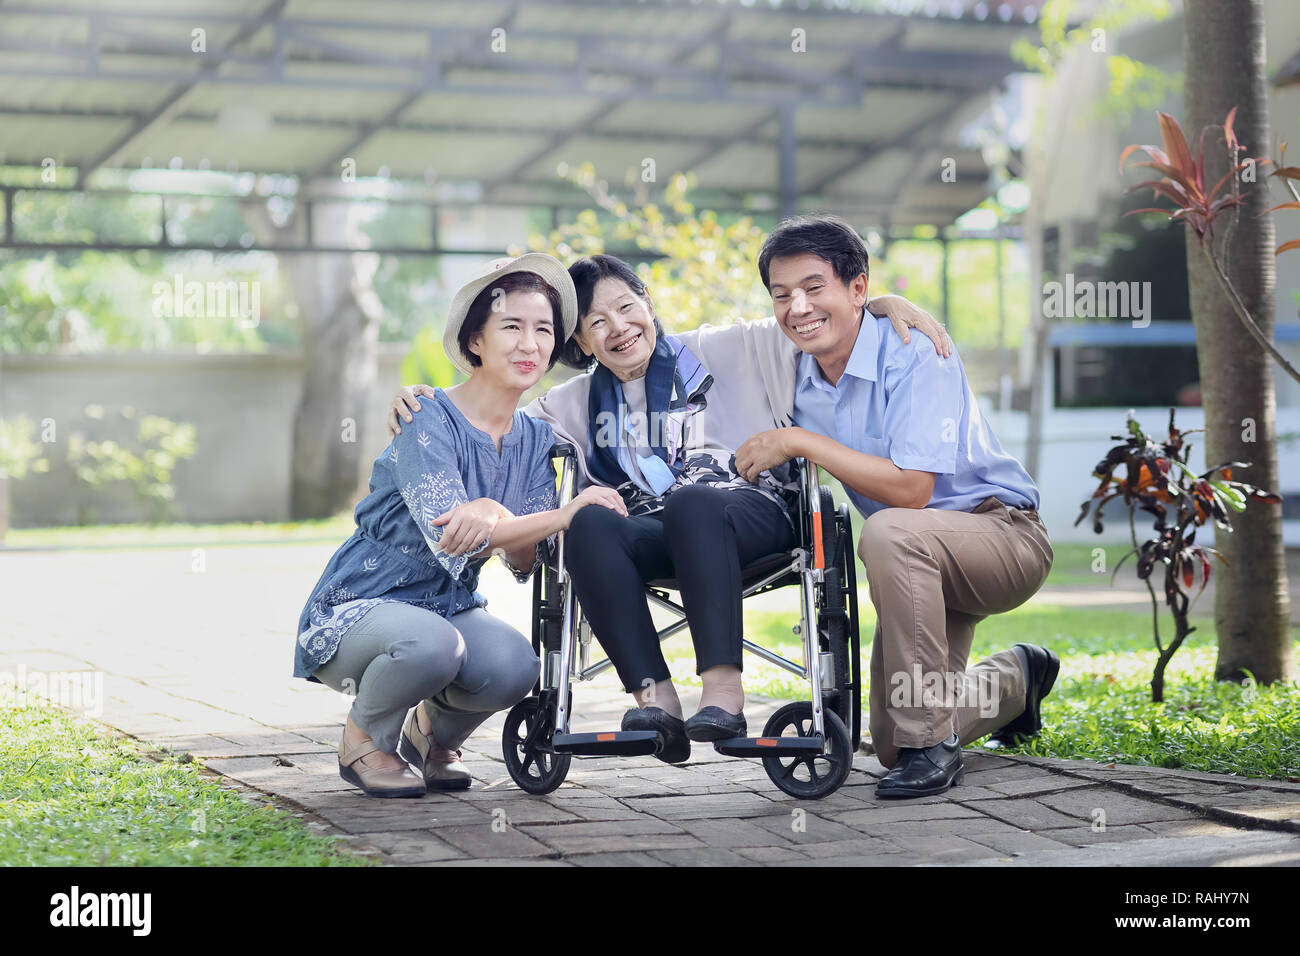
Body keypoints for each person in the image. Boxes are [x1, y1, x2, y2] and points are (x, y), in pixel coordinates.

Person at [388, 254, 948, 765]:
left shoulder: (728, 348)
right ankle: (656, 702)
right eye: (596, 323)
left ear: (649, 304)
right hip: (656, 533)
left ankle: (723, 693)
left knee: (693, 499)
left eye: (627, 308)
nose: (619, 328)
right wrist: (424, 399)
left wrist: (877, 303)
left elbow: (810, 318)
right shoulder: (570, 404)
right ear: (581, 344)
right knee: (588, 521)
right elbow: (489, 408)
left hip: (751, 517)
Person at [735, 215, 1058, 799]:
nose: (798, 308)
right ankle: (1019, 678)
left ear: (857, 288)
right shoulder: (791, 374)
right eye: (782, 296)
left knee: (888, 532)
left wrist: (802, 442)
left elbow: (913, 491)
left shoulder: (914, 350)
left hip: (1001, 536)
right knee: (891, 741)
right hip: (920, 566)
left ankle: (935, 749)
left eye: (814, 288)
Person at [294, 254, 625, 798]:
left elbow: (523, 558)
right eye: (511, 327)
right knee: (433, 647)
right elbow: (450, 533)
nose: (530, 344)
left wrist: (513, 522)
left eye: (543, 330)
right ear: (476, 341)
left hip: (447, 607)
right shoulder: (425, 418)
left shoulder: (539, 441)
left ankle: (431, 735)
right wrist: (550, 513)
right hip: (360, 606)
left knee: (516, 666)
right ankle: (363, 740)